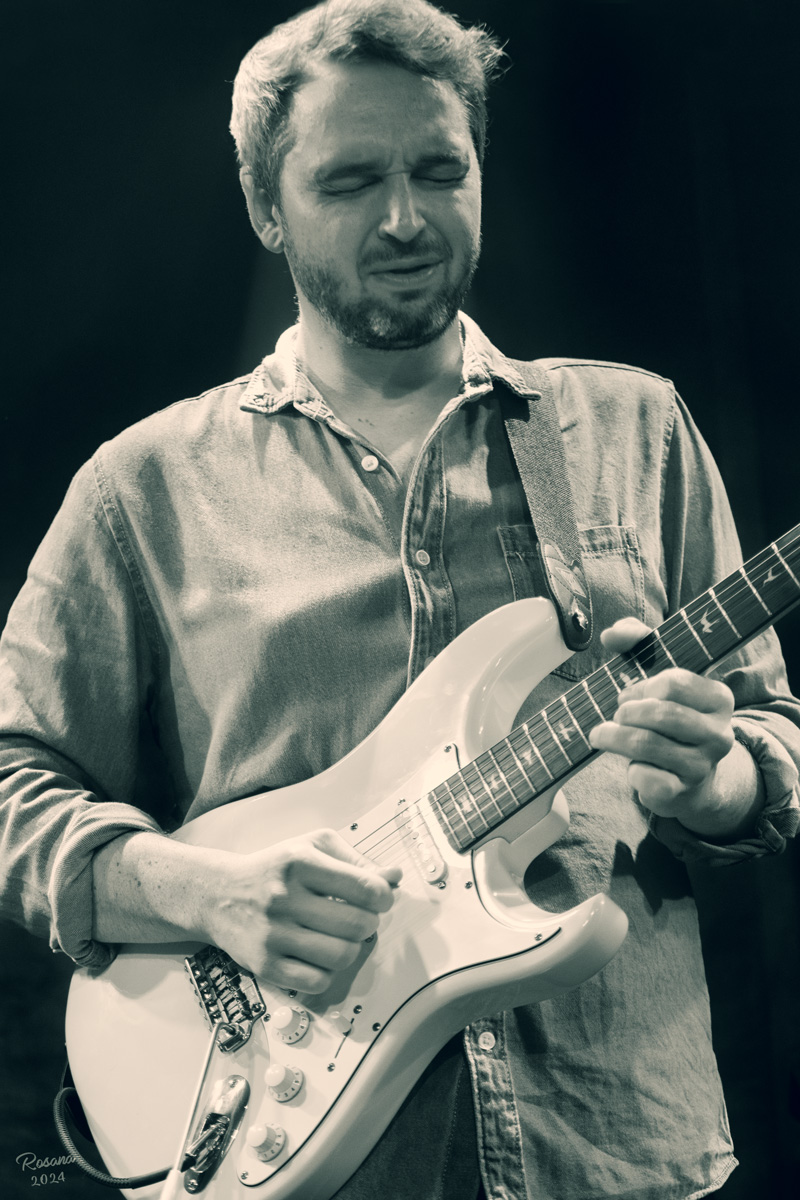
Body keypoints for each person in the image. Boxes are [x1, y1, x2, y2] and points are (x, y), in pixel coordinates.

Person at [1, 1, 798, 1197]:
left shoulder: (633, 427)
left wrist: (715, 778)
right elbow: (12, 779)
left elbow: (766, 734)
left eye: (438, 170)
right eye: (349, 180)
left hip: (610, 1148)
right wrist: (207, 894)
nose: (404, 219)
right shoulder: (143, 488)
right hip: (318, 1148)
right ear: (265, 206)